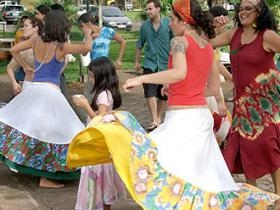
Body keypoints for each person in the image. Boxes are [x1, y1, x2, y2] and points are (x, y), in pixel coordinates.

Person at [67, 0, 279, 208]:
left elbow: (179, 73)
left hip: (183, 120)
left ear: (184, 21)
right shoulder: (206, 46)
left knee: (148, 158)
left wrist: (140, 79)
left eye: (173, 19)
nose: (170, 23)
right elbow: (213, 89)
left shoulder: (178, 41)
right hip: (201, 118)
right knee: (199, 181)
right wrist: (178, 89)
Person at [0, 10, 92, 188]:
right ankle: (46, 177)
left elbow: (13, 50)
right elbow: (86, 48)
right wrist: (87, 33)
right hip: (50, 93)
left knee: (33, 130)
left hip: (33, 90)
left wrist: (27, 66)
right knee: (58, 133)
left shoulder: (36, 40)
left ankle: (33, 167)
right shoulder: (61, 46)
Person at [211, 0, 280, 208]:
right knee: (247, 151)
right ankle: (253, 196)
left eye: (248, 8)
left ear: (260, 12)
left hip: (266, 107)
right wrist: (216, 26)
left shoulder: (267, 36)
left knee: (270, 148)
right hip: (242, 106)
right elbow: (207, 44)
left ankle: (279, 197)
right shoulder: (234, 35)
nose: (243, 12)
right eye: (241, 8)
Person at [72, 57, 126, 210]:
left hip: (99, 142)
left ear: (101, 76)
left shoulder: (103, 94)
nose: (89, 79)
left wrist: (85, 106)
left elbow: (100, 118)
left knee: (98, 175)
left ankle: (96, 204)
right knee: (105, 176)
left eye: (91, 76)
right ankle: (103, 203)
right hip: (104, 142)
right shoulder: (108, 93)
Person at [78, 12, 126, 122]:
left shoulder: (107, 31)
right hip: (93, 71)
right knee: (88, 96)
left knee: (106, 96)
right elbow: (84, 53)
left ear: (89, 24)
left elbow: (123, 41)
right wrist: (88, 37)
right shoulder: (88, 37)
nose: (82, 29)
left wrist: (119, 59)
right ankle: (89, 120)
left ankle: (104, 119)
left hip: (104, 69)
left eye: (82, 26)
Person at [135, 0, 173, 132]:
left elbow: (175, 41)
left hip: (165, 64)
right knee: (149, 92)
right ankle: (154, 120)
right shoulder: (145, 26)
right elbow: (139, 44)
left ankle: (158, 118)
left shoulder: (169, 24)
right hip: (150, 64)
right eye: (147, 9)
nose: (148, 11)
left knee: (163, 94)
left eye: (150, 9)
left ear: (158, 9)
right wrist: (137, 61)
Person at [7, 16, 43, 96]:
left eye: (26, 26)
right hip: (29, 87)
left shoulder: (48, 44)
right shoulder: (23, 48)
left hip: (45, 87)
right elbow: (10, 68)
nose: (23, 29)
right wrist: (14, 84)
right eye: (23, 26)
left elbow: (65, 58)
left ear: (35, 28)